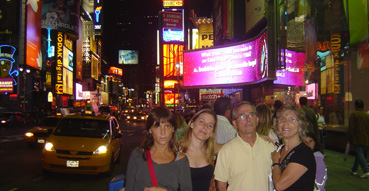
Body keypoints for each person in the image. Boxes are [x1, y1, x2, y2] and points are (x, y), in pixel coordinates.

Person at [125, 107, 192, 191]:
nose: (163, 132)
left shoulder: (181, 161)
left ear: (173, 129)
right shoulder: (138, 156)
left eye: (167, 127)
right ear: (150, 130)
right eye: (157, 127)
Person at [214, 101, 275, 191]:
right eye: (242, 116)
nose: (248, 119)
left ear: (257, 120)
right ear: (235, 124)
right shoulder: (226, 151)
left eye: (251, 115)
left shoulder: (269, 146)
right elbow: (221, 185)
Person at [271, 104, 316, 191]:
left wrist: (275, 163)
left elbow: (280, 185)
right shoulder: (280, 150)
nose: (285, 123)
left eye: (292, 120)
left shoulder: (304, 153)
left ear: (300, 126)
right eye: (282, 119)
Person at [178, 109, 221, 191]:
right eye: (201, 122)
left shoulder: (211, 149)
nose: (205, 127)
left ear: (212, 132)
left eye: (210, 125)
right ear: (192, 124)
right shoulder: (175, 150)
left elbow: (233, 147)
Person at [347, 99, 369, 178]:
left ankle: (366, 170)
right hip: (366, 138)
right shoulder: (367, 115)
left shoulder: (354, 114)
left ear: (356, 106)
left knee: (359, 153)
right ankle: (354, 169)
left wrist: (349, 138)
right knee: (359, 154)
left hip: (357, 138)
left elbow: (351, 128)